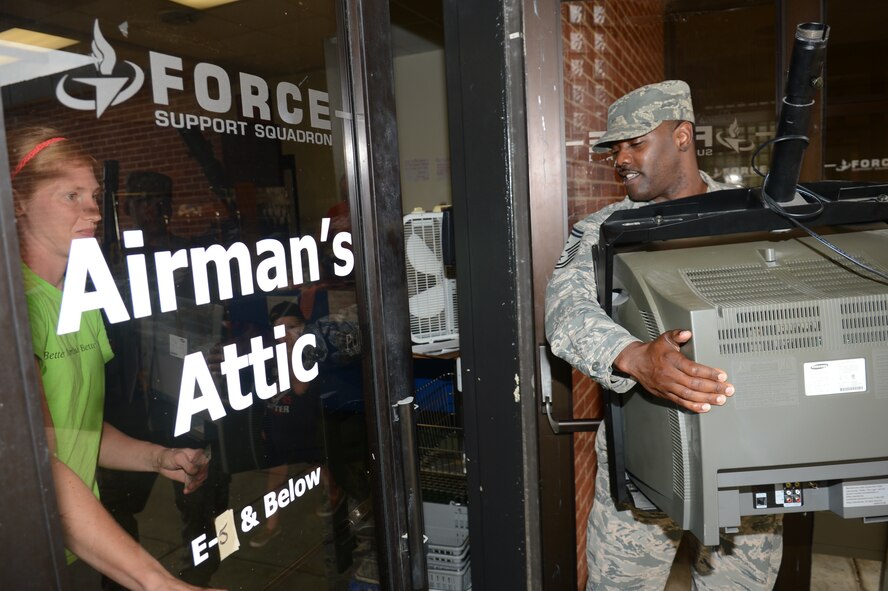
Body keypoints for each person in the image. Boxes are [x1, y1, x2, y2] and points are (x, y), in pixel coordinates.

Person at [545, 81, 782, 590]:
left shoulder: (757, 217)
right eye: (615, 149)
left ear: (682, 136)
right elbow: (564, 312)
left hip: (745, 466)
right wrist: (633, 356)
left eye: (635, 143)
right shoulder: (604, 230)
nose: (621, 160)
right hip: (642, 467)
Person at [10, 126, 225, 591]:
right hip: (24, 552)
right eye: (71, 195)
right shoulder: (15, 307)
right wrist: (158, 582)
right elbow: (38, 462)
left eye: (93, 196)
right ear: (18, 202)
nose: (92, 211)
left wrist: (156, 457)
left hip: (80, 543)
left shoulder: (78, 298)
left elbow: (76, 429)